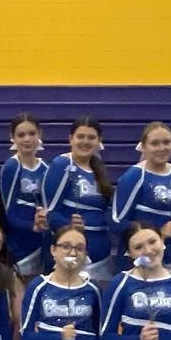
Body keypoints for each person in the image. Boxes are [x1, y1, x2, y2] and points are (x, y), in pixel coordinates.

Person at [0, 113, 48, 340]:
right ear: (13, 139)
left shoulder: (46, 169)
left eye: (32, 133)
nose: (27, 139)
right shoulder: (11, 167)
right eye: (21, 134)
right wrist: (32, 226)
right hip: (16, 255)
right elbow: (5, 213)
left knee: (28, 323)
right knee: (15, 323)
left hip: (41, 254)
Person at [41, 117, 114, 282]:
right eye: (80, 136)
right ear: (70, 139)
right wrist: (69, 226)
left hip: (100, 252)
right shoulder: (62, 164)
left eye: (91, 137)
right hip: (73, 252)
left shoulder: (99, 168)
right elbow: (49, 212)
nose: (85, 142)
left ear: (99, 141)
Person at [110, 121, 171, 269]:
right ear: (144, 147)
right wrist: (158, 233)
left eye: (166, 142)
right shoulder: (134, 176)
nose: (161, 148)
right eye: (154, 143)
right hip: (138, 262)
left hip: (169, 257)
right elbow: (116, 223)